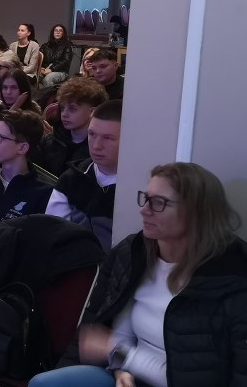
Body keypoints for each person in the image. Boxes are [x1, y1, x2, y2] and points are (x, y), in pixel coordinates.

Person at [31, 162, 247, 387]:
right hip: (128, 375)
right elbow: (113, 330)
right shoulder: (134, 253)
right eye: (146, 198)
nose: (144, 210)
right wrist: (119, 367)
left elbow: (194, 377)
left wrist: (121, 355)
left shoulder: (231, 280)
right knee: (45, 383)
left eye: (159, 203)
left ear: (195, 212)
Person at [46, 100, 122, 249]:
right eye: (92, 134)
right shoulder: (71, 179)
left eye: (108, 138)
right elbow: (53, 234)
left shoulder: (141, 188)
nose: (96, 146)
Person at [38, 77, 108, 176]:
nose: (64, 114)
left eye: (72, 109)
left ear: (92, 112)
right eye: (62, 108)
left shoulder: (98, 150)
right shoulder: (50, 140)